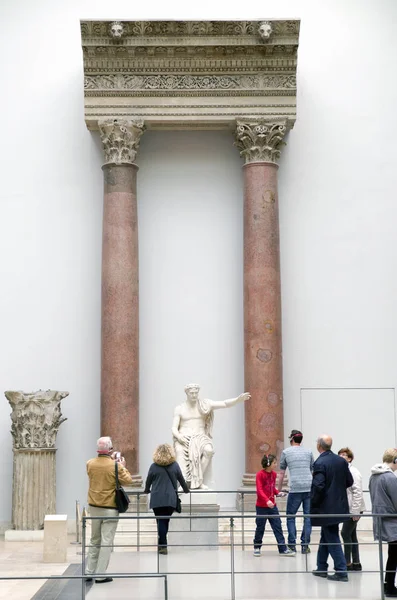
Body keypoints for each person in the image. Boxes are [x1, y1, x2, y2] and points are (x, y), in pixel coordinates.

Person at [172, 383, 250, 489]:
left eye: (196, 393)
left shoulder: (205, 405)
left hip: (200, 437)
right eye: (191, 393)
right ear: (186, 393)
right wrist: (179, 437)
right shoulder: (180, 408)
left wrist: (237, 400)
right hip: (183, 439)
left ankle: (198, 480)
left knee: (208, 451)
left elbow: (224, 404)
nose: (194, 395)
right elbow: (174, 428)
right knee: (180, 452)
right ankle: (184, 482)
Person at [85, 436, 133, 584]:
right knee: (106, 541)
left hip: (94, 507)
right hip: (110, 508)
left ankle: (88, 572)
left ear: (97, 450)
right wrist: (122, 465)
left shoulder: (90, 464)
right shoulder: (115, 466)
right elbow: (128, 480)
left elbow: (97, 473)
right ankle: (100, 574)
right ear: (110, 449)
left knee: (94, 540)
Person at [311, 434, 353, 582]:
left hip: (326, 508)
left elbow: (318, 486)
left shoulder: (320, 462)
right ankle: (321, 566)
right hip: (339, 506)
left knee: (332, 536)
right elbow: (349, 481)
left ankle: (341, 571)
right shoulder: (340, 461)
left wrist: (313, 502)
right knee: (326, 534)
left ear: (319, 446)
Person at [144, 443, 189, 554]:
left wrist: (146, 490)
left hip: (156, 498)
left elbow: (148, 481)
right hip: (170, 498)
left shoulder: (153, 466)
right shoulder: (175, 465)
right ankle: (162, 545)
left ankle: (162, 545)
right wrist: (186, 489)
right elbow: (181, 479)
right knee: (165, 521)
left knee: (160, 521)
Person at [279, 429, 314, 554]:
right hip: (309, 486)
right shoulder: (309, 451)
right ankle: (305, 545)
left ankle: (292, 545)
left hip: (295, 488)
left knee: (291, 517)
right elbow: (312, 470)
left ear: (291, 439)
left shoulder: (286, 452)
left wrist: (278, 489)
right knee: (308, 517)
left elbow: (282, 473)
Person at [253, 454, 295, 557]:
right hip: (261, 507)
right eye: (274, 463)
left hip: (273, 506)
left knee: (277, 526)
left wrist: (278, 493)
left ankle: (282, 548)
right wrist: (267, 500)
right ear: (268, 464)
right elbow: (260, 490)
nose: (276, 465)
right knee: (260, 527)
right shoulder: (260, 474)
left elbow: (272, 488)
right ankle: (257, 547)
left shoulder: (274, 474)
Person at [369, 448, 397, 598]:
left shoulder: (374, 476)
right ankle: (390, 586)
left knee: (392, 554)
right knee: (394, 555)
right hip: (392, 522)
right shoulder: (390, 478)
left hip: (382, 520)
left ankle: (389, 584)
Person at [338, 447, 365, 571]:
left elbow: (358, 493)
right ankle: (356, 563)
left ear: (349, 458)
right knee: (352, 535)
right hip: (348, 508)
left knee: (345, 533)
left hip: (354, 509)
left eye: (344, 455)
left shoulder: (353, 472)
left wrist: (355, 511)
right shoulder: (342, 471)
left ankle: (347, 562)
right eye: (340, 454)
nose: (341, 456)